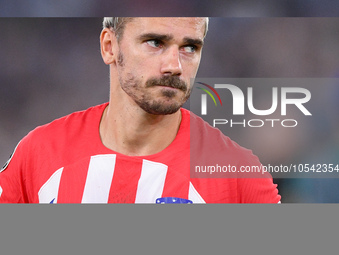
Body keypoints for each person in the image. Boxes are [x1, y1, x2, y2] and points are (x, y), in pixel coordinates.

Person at [0, 17, 280, 203]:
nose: (175, 66)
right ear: (110, 46)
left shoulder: (237, 177)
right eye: (155, 43)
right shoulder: (39, 153)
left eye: (190, 47)